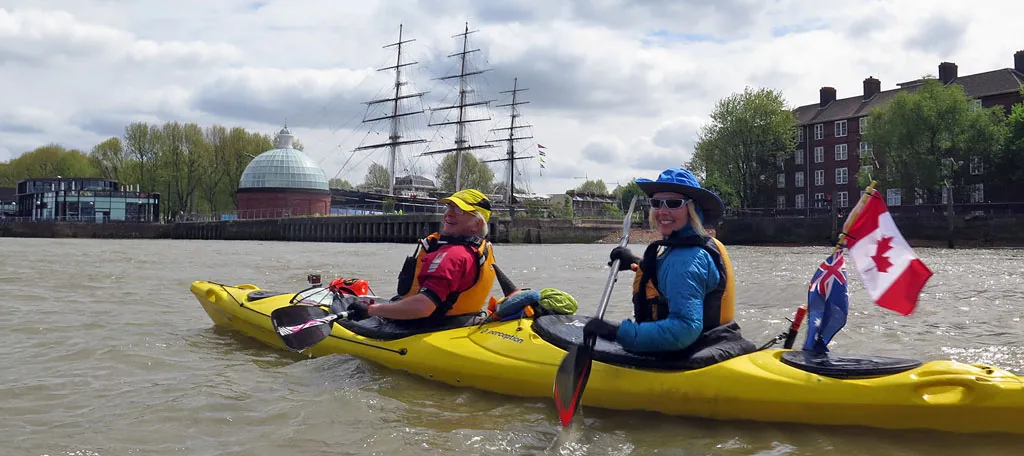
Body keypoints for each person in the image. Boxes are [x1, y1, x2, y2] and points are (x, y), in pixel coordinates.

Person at [583, 167, 754, 359]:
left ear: (692, 210)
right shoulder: (695, 246)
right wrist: (635, 264)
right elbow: (670, 278)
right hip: (716, 341)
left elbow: (684, 328)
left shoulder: (687, 260)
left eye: (673, 203)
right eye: (657, 203)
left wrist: (617, 333)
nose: (662, 211)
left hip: (685, 353)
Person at [341, 189, 497, 324]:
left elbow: (423, 307)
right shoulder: (480, 249)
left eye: (459, 210)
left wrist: (369, 310)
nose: (449, 213)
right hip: (459, 321)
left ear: (477, 224)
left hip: (425, 325)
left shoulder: (453, 256)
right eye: (449, 207)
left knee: (353, 307)